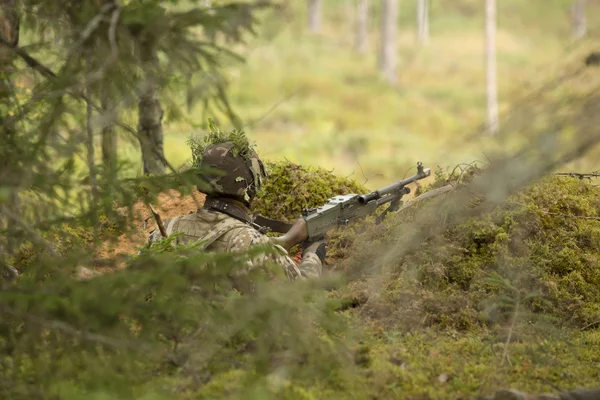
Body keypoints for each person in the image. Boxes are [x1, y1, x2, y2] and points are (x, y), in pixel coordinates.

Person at [146, 140, 325, 285]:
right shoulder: (250, 242)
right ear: (250, 184)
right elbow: (301, 293)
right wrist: (313, 256)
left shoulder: (166, 230)